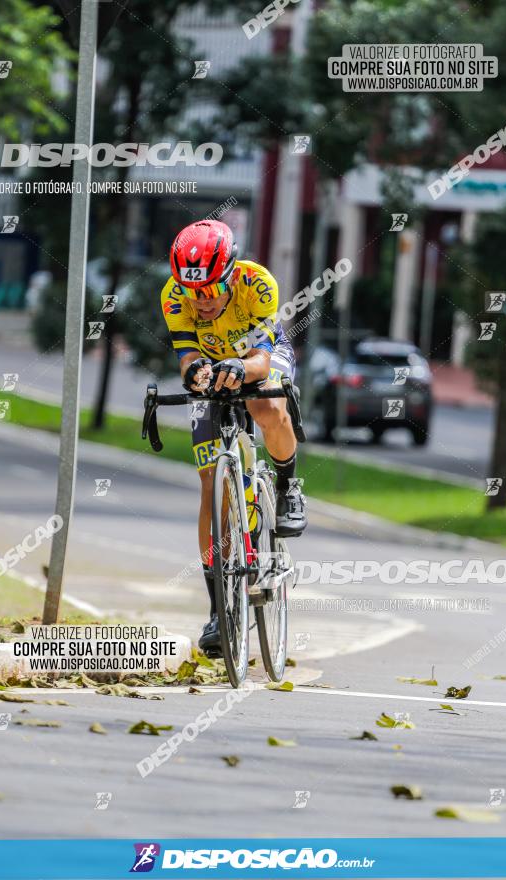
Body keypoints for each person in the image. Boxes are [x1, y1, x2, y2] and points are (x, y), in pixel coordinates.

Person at [161, 219, 307, 653]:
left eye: (208, 290)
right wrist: (195, 371)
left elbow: (262, 357)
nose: (199, 301)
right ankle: (217, 610)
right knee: (210, 486)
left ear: (229, 275)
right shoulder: (174, 295)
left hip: (261, 358)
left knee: (265, 405)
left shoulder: (257, 283)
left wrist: (240, 369)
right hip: (211, 369)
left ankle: (287, 484)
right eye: (191, 291)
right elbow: (186, 354)